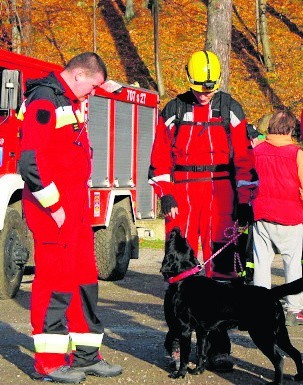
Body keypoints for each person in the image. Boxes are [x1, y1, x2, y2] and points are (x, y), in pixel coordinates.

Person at [148, 50, 257, 372]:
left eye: (209, 88)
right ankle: (177, 344)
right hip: (182, 192)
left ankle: (219, 347)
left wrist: (245, 201)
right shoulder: (174, 109)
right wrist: (165, 194)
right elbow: (159, 153)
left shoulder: (231, 109)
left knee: (222, 272)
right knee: (178, 273)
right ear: (188, 79)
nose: (204, 93)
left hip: (221, 193)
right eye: (199, 87)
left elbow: (245, 159)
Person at [18, 52, 122, 383]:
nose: (92, 94)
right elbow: (30, 162)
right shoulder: (44, 100)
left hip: (73, 207)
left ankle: (86, 355)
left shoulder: (66, 95)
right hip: (52, 210)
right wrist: (55, 206)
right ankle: (48, 362)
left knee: (84, 279)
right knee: (54, 282)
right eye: (92, 86)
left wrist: (111, 86)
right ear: (78, 76)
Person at [252, 109, 303, 326]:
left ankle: (258, 306)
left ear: (270, 128)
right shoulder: (296, 153)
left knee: (261, 262)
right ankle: (294, 308)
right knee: (292, 263)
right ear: (291, 129)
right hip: (291, 216)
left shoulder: (256, 150)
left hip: (261, 213)